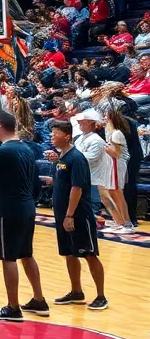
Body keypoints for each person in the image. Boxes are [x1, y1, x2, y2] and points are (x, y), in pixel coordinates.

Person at [0, 109, 48, 321]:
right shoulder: (27, 149)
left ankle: (13, 307)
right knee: (26, 253)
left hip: (9, 207)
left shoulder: (0, 152)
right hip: (28, 206)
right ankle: (39, 300)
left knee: (8, 257)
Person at [46, 120, 107, 310]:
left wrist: (69, 215)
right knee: (69, 254)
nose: (51, 136)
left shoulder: (77, 158)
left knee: (89, 253)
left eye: (55, 133)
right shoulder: (62, 158)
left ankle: (101, 296)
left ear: (66, 136)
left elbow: (77, 188)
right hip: (62, 214)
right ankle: (76, 291)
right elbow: (65, 181)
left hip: (78, 215)